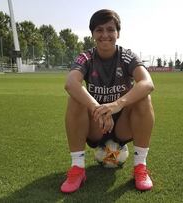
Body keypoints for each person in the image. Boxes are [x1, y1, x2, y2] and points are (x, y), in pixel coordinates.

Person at [61, 9, 155, 193]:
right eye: (99, 29)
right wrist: (98, 108)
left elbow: (147, 82)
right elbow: (71, 83)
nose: (105, 35)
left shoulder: (127, 56)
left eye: (110, 29)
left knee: (144, 97)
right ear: (92, 34)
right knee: (75, 98)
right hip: (96, 124)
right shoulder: (86, 57)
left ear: (118, 33)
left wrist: (116, 105)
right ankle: (77, 169)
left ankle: (140, 167)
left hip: (123, 125)